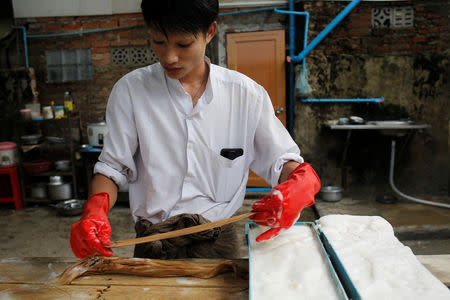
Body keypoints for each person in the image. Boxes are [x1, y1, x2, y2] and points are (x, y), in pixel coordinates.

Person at [70, 0, 321, 260]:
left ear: (210, 32)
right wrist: (94, 212)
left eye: (183, 45)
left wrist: (300, 182)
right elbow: (112, 168)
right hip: (154, 242)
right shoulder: (131, 91)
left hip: (218, 241)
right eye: (158, 42)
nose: (169, 57)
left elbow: (282, 162)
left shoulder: (245, 95)